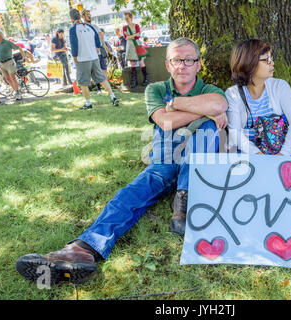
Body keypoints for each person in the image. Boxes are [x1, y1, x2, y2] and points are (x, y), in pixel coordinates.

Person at [15, 37, 228, 285]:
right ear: (168, 65)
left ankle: (184, 203)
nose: (182, 65)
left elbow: (219, 103)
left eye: (188, 60)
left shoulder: (210, 90)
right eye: (176, 60)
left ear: (198, 65)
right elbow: (164, 121)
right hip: (164, 163)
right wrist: (204, 110)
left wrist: (177, 104)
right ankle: (83, 249)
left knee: (205, 133)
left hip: (198, 170)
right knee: (130, 194)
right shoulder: (156, 90)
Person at [225, 39, 291, 156]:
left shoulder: (280, 87)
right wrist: (258, 155)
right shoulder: (232, 94)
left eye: (271, 58)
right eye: (266, 60)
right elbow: (235, 133)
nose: (272, 63)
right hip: (248, 156)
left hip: (280, 153)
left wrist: (282, 155)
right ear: (250, 63)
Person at [68, 9, 119, 110]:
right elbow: (97, 42)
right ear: (79, 16)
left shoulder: (73, 29)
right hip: (94, 57)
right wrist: (94, 51)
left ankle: (88, 103)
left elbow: (74, 46)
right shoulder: (90, 27)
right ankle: (113, 97)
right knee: (102, 78)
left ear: (71, 18)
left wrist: (75, 59)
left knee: (83, 82)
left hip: (83, 59)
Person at [0, 30, 25, 101]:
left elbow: (19, 48)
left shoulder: (8, 42)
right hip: (1, 63)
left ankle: (17, 93)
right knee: (7, 79)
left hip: (9, 62)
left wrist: (24, 56)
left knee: (12, 77)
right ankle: (15, 91)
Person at [81, 9, 107, 94]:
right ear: (83, 17)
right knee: (95, 72)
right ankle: (99, 89)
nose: (89, 16)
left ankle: (107, 87)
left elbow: (101, 36)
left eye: (90, 14)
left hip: (99, 52)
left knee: (104, 69)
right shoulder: (82, 27)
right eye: (87, 14)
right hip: (91, 54)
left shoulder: (95, 26)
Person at [123, 12, 149, 88]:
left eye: (127, 18)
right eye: (125, 19)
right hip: (130, 46)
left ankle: (146, 79)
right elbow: (126, 38)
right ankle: (134, 81)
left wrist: (130, 36)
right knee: (132, 63)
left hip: (137, 45)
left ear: (131, 18)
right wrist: (134, 35)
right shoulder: (125, 27)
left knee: (141, 62)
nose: (126, 20)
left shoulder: (136, 25)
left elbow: (138, 36)